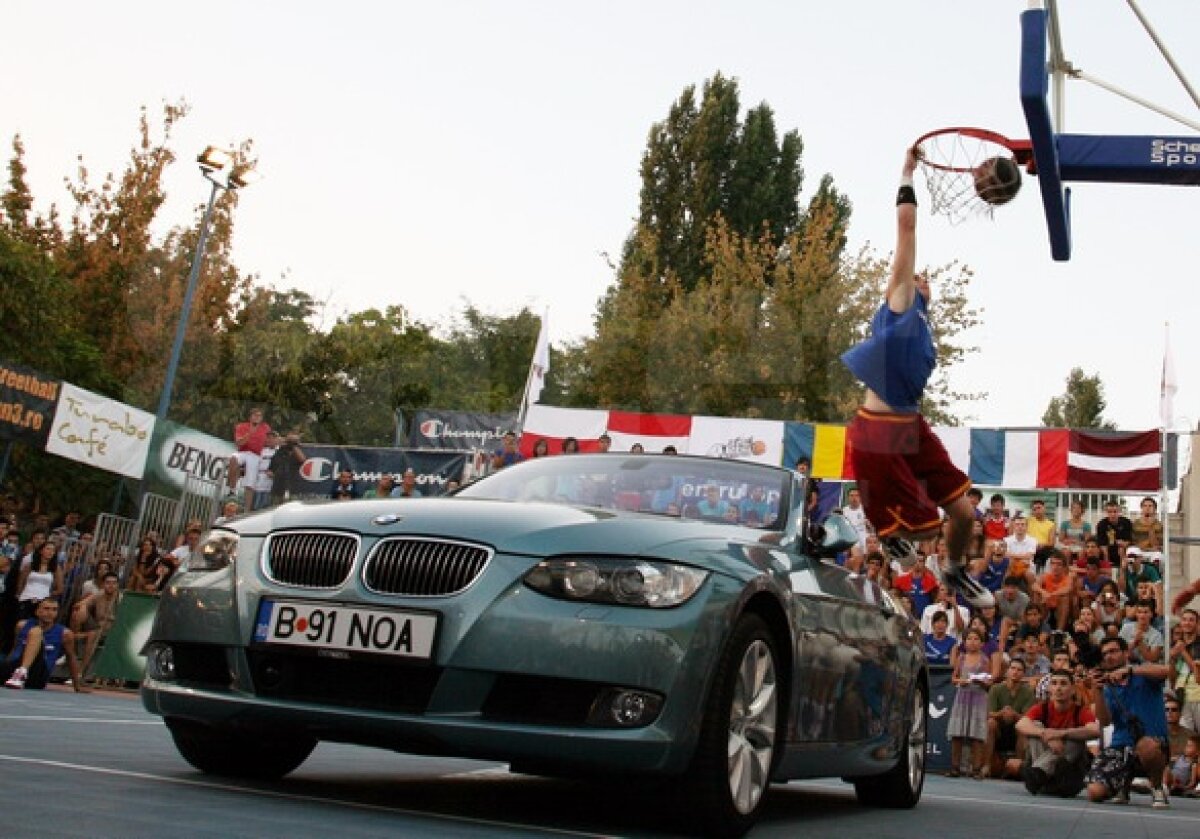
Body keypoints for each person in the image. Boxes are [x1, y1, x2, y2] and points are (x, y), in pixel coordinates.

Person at [839, 149, 989, 607]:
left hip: (910, 425)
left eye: (924, 279)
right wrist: (907, 172)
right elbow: (906, 230)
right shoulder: (898, 304)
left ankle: (956, 569)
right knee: (923, 529)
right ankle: (887, 537)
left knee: (964, 514)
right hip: (879, 431)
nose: (921, 278)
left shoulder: (923, 330)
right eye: (916, 276)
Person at [1085, 636, 1172, 808]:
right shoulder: (1107, 685)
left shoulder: (1142, 673)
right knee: (1094, 792)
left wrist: (1131, 671)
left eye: (1113, 651)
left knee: (1147, 746)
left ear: (1125, 653)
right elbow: (1105, 721)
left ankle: (1157, 787)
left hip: (1153, 742)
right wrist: (1098, 689)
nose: (1109, 656)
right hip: (1121, 746)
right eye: (1105, 653)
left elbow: (1165, 671)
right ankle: (1122, 784)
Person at [1016, 669, 1099, 797]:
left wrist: (1061, 734)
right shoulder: (1042, 708)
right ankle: (1041, 775)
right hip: (1047, 766)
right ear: (1049, 689)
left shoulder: (1081, 711)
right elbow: (1020, 724)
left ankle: (1039, 771)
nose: (1058, 688)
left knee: (1075, 739)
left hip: (1067, 773)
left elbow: (1095, 730)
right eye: (1054, 683)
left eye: (1063, 684)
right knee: (1036, 727)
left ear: (1072, 689)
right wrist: (1045, 734)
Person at [2, 597, 87, 691]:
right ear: (37, 611)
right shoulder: (22, 625)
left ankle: (21, 672)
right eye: (46, 609)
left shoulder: (65, 634)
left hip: (38, 674)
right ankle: (17, 675)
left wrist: (77, 686)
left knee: (36, 632)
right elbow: (15, 649)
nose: (50, 613)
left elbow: (71, 658)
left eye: (54, 610)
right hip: (13, 668)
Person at [946, 628, 993, 777]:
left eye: (976, 639)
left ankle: (976, 769)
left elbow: (989, 681)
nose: (972, 642)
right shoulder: (961, 658)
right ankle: (955, 767)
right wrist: (962, 681)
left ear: (982, 643)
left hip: (978, 698)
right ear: (965, 642)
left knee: (976, 735)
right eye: (969, 639)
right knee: (957, 733)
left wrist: (981, 681)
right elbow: (954, 679)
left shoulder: (985, 660)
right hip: (962, 697)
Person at [984, 658, 1035, 779]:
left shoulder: (1028, 692)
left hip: (1016, 729)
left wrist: (1014, 714)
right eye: (1012, 668)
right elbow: (990, 713)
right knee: (990, 723)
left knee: (1023, 728)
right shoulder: (996, 689)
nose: (1015, 672)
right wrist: (1002, 713)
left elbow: (1028, 718)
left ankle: (1017, 768)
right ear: (1007, 671)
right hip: (999, 729)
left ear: (1023, 674)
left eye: (1019, 670)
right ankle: (986, 766)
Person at [229, 407, 272, 514]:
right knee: (233, 458)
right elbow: (239, 443)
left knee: (250, 483)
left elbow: (270, 440)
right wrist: (249, 434)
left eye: (259, 416)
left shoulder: (265, 428)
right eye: (255, 415)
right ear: (250, 417)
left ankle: (246, 511)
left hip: (255, 455)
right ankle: (232, 490)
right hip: (243, 452)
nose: (257, 418)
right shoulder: (242, 426)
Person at [1171, 608, 1200, 732]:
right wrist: (1172, 658)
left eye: (1191, 620)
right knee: (1187, 739)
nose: (1187, 623)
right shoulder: (1177, 645)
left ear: (1197, 623)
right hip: (1181, 696)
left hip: (1198, 697)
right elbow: (1173, 676)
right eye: (1184, 620)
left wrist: (1182, 651)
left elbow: (1198, 673)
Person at [268, 430, 307, 505]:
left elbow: (302, 459)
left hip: (292, 486)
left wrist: (292, 444)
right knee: (274, 508)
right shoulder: (279, 451)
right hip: (278, 486)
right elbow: (271, 469)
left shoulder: (297, 450)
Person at [1095, 501, 1133, 567]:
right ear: (1106, 512)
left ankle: (1123, 570)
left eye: (1115, 511)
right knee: (1100, 551)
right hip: (1107, 547)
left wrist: (1124, 544)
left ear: (1119, 512)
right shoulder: (1102, 524)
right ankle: (1106, 568)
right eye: (1110, 512)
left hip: (1122, 547)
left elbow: (1129, 540)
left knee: (1121, 550)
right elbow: (1101, 544)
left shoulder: (1126, 522)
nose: (1112, 514)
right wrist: (1106, 555)